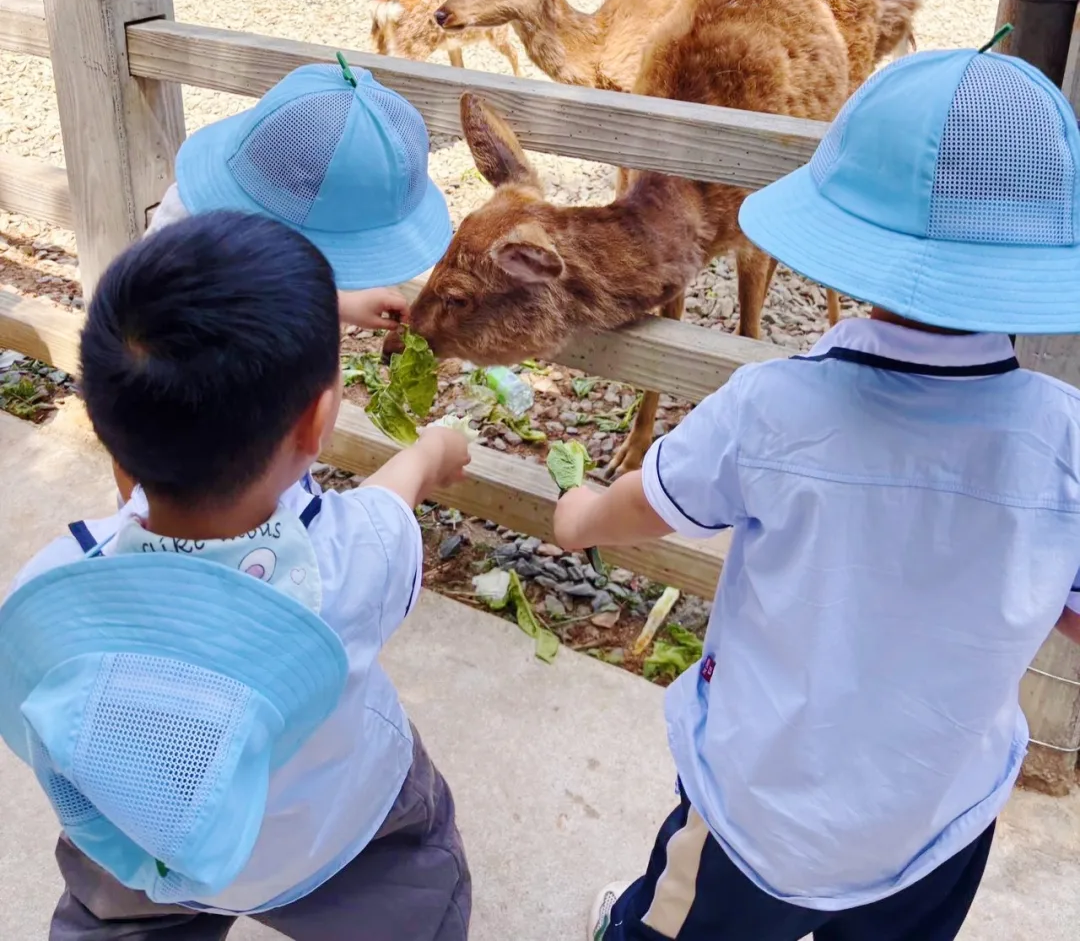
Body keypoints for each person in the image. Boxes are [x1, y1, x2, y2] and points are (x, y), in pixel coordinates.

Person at [556, 47, 1080, 941]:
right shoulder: (1066, 437)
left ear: (846, 237)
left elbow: (646, 505)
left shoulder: (774, 406)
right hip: (937, 815)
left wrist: (577, 516)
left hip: (757, 812)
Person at [0, 212, 472, 939]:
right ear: (316, 421)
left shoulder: (56, 580)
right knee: (416, 877)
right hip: (329, 833)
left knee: (109, 909)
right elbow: (391, 498)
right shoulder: (351, 559)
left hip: (145, 839)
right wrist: (431, 454)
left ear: (106, 422)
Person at [106, 56, 451, 505]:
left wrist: (339, 301)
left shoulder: (186, 231)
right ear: (312, 419)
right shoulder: (307, 532)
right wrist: (429, 458)